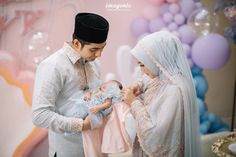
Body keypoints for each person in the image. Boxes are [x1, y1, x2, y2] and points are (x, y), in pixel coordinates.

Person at [32, 12, 109, 157]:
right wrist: (81, 125)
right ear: (76, 43)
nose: (99, 55)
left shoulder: (95, 64)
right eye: (94, 49)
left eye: (102, 48)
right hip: (67, 151)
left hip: (96, 148)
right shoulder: (52, 66)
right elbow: (39, 115)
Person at [122, 31, 201, 157]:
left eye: (143, 64)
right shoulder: (162, 75)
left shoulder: (174, 90)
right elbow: (146, 80)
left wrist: (134, 103)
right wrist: (138, 86)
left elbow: (155, 135)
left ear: (157, 60)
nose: (142, 70)